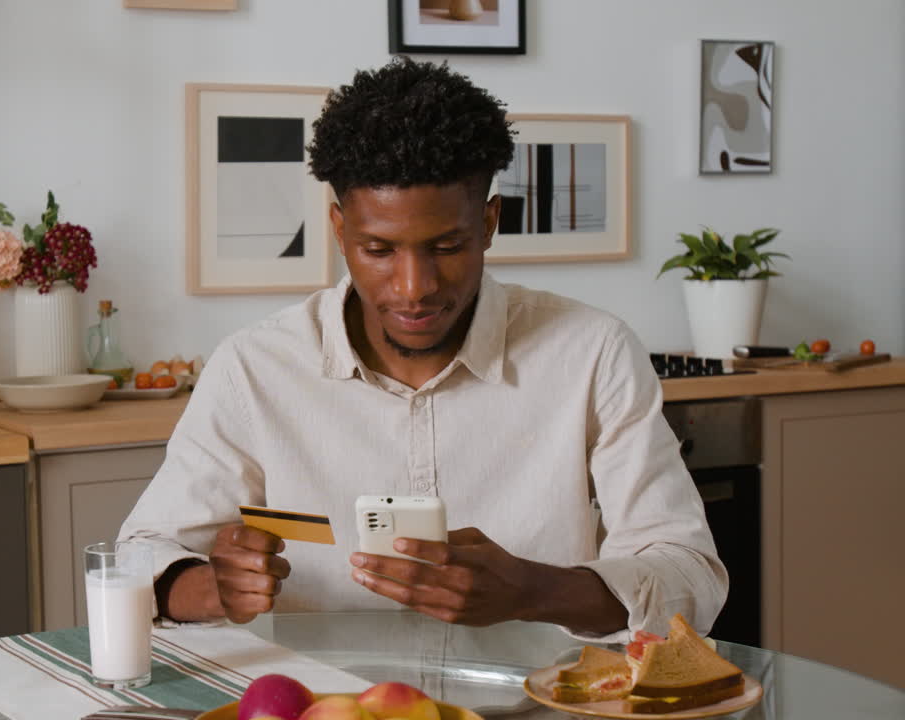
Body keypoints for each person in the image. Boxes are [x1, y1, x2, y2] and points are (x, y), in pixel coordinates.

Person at [118, 57, 726, 641]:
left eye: (447, 246)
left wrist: (532, 590)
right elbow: (139, 556)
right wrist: (210, 588)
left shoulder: (594, 354)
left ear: (489, 223)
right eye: (379, 251)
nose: (415, 288)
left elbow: (690, 574)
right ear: (339, 231)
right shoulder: (253, 369)